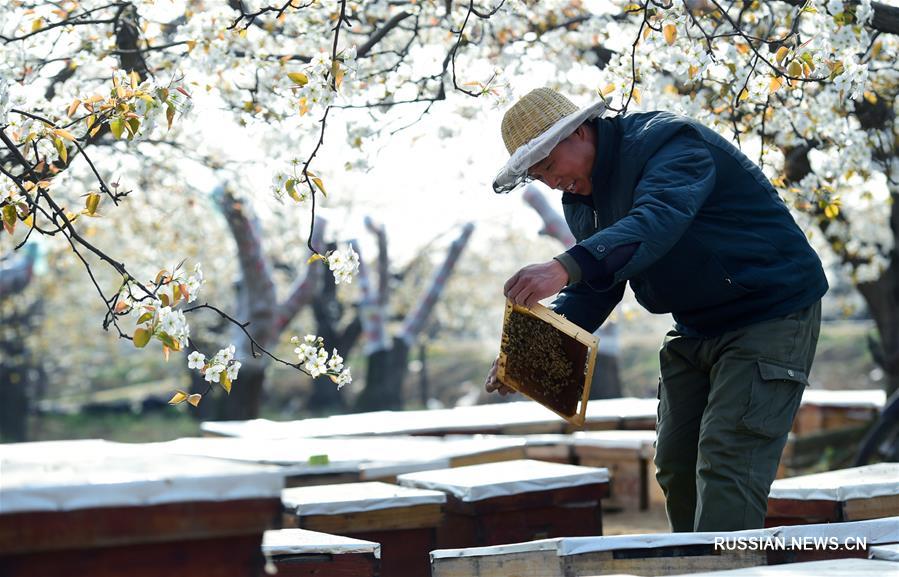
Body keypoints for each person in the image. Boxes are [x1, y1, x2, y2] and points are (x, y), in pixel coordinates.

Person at [483, 87, 827, 532]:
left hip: (771, 312)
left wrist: (564, 266)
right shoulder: (581, 202)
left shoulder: (669, 143)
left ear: (580, 132)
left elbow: (658, 217)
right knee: (675, 462)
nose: (551, 183)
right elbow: (598, 285)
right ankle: (693, 562)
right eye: (538, 176)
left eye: (549, 166)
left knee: (728, 460)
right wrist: (529, 354)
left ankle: (723, 569)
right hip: (696, 326)